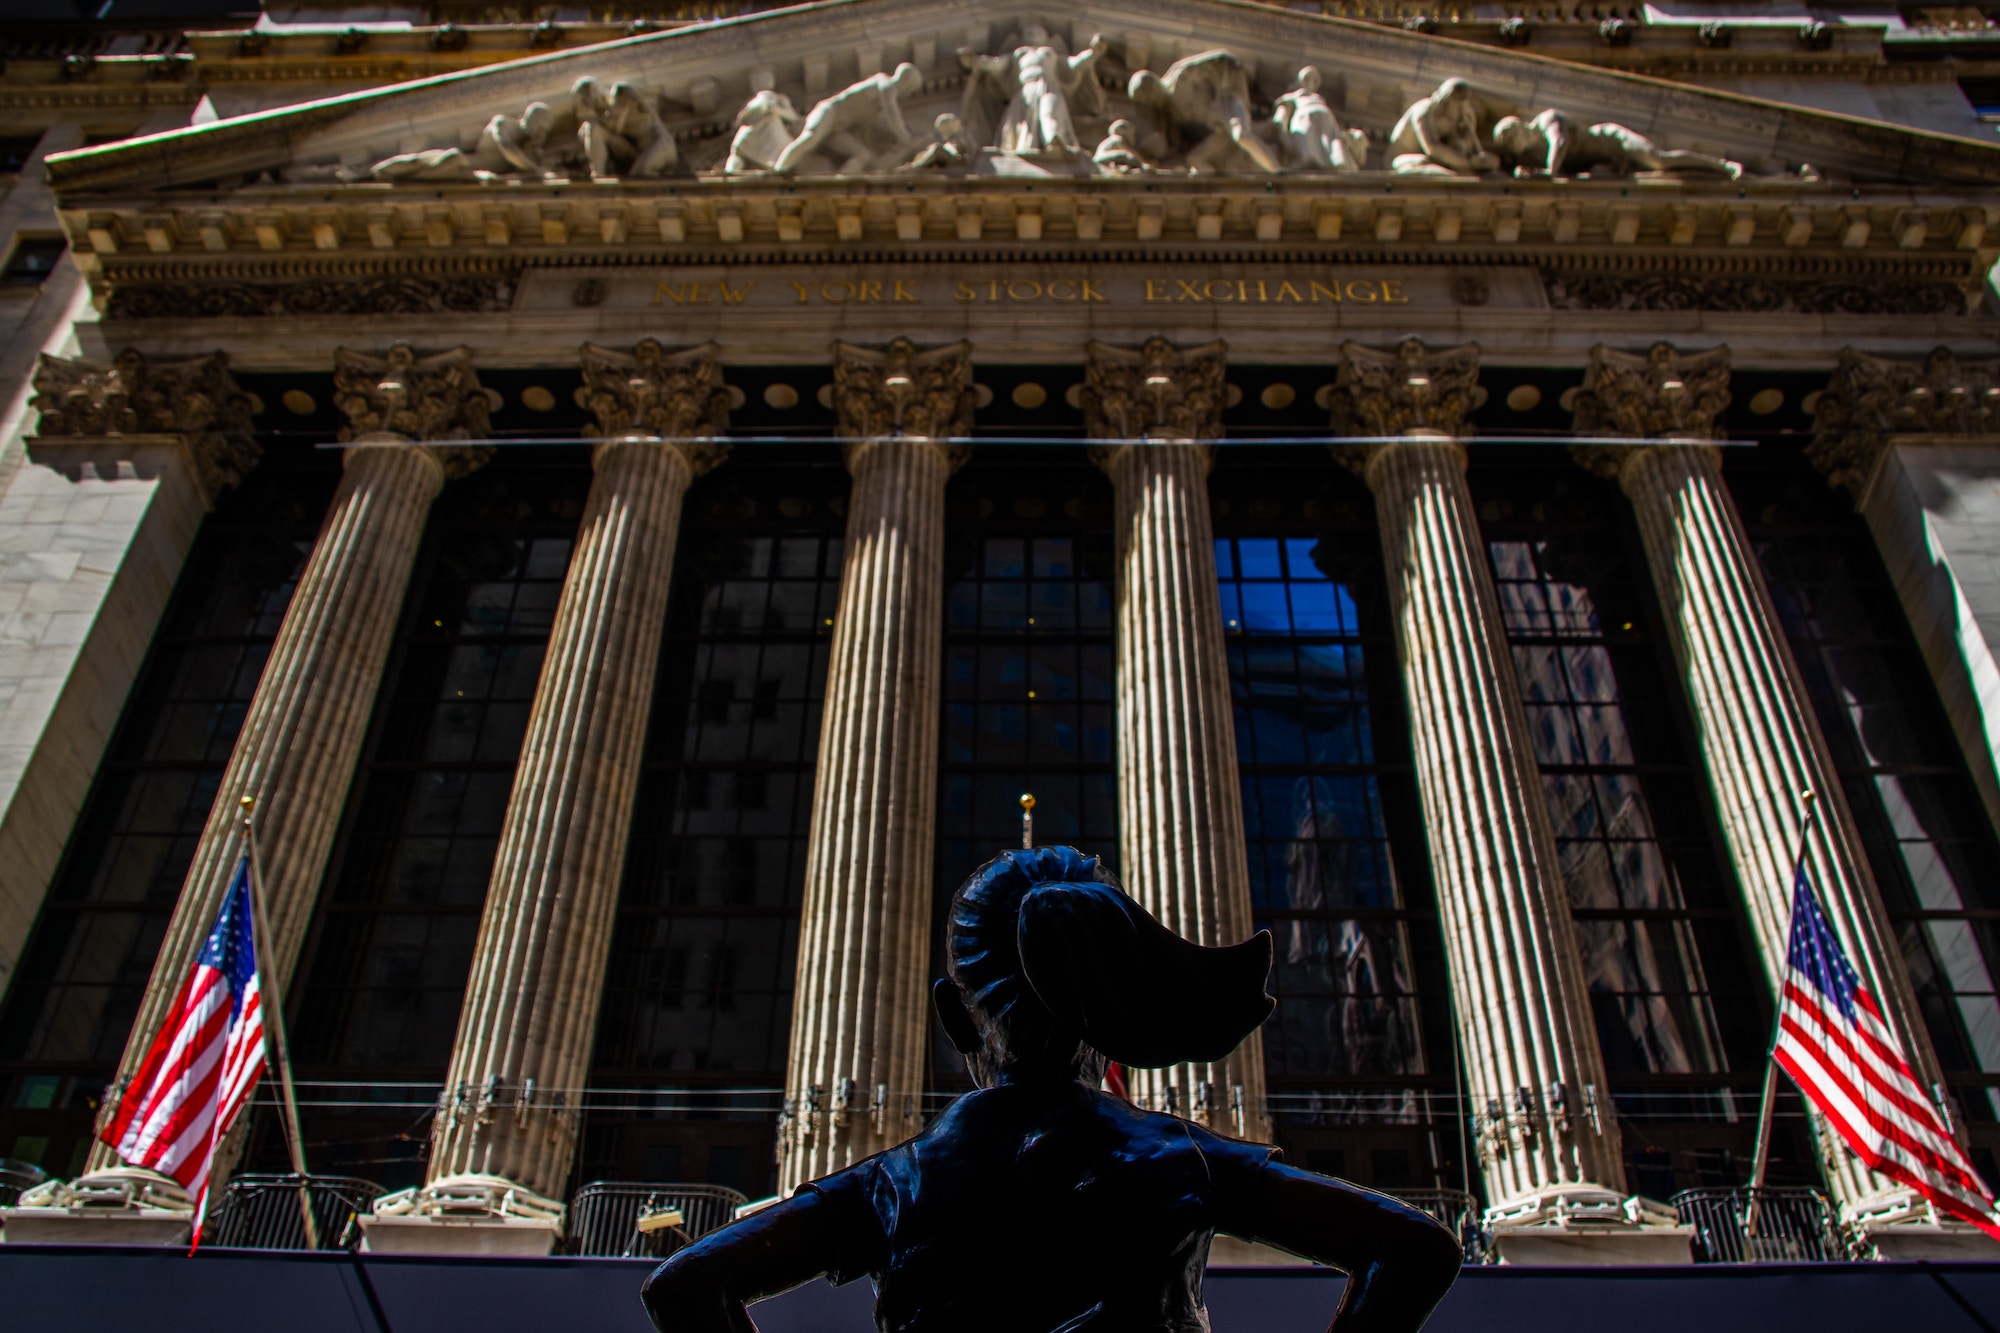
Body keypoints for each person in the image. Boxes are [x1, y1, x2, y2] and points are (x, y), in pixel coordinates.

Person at [642, 846, 1462, 1333]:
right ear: (1108, 1014)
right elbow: (1414, 1246)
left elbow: (684, 1283)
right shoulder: (1180, 1159)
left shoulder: (895, 1184)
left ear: (952, 1020)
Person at [1491, 108, 1742, 179]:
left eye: (1510, 139)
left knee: (1659, 160)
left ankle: (1722, 166)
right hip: (1600, 161)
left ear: (1518, 127)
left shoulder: (1547, 119)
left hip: (1614, 142)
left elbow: (1561, 141)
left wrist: (1549, 173)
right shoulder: (1534, 153)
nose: (1514, 147)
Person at [773, 63, 923, 175]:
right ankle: (778, 170)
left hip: (838, 129)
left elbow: (881, 129)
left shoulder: (878, 106)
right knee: (810, 138)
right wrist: (908, 140)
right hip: (830, 112)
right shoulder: (884, 83)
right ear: (908, 83)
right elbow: (892, 114)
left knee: (863, 155)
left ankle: (840, 185)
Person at [371, 102, 558, 182]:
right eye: (542, 126)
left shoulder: (529, 147)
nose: (542, 132)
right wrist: (536, 170)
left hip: (472, 173)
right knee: (416, 162)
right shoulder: (503, 123)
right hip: (461, 161)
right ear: (533, 118)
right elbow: (506, 148)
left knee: (421, 171)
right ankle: (369, 172)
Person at [1387, 77, 1495, 176]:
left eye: (1464, 105)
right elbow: (1432, 148)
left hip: (1442, 161)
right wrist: (1468, 164)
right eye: (1459, 107)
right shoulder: (1424, 111)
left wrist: (1481, 160)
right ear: (1446, 102)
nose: (1462, 111)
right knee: (1423, 161)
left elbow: (1469, 150)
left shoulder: (1462, 115)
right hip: (1400, 160)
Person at [1272, 66, 1367, 171]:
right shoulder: (1292, 97)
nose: (1311, 82)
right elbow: (1280, 119)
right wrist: (1284, 135)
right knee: (1308, 148)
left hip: (1327, 122)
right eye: (1307, 78)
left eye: (1314, 81)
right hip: (1305, 119)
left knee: (1330, 147)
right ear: (1299, 81)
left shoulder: (1320, 100)